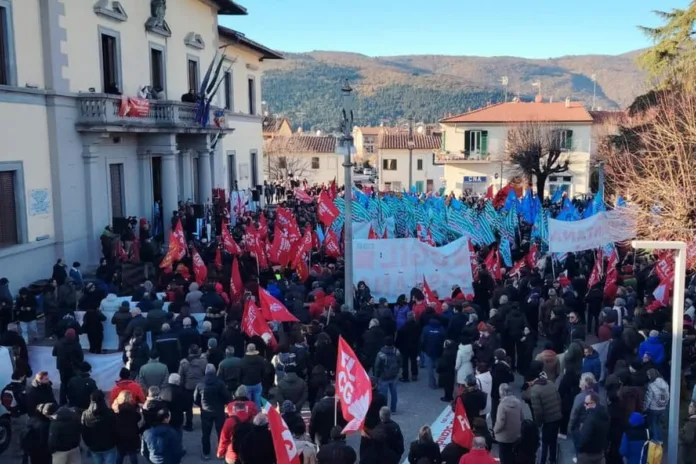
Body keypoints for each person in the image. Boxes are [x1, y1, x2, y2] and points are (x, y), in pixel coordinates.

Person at [193, 364, 231, 460]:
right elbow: (227, 397)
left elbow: (195, 399)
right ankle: (221, 453)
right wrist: (224, 404)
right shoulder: (220, 383)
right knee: (221, 433)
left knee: (206, 434)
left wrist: (201, 405)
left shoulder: (200, 383)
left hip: (206, 412)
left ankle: (206, 453)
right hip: (218, 411)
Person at [527, 370, 562, 464]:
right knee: (553, 440)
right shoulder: (551, 383)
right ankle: (553, 460)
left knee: (544, 443)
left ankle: (542, 461)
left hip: (547, 420)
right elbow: (559, 399)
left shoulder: (535, 390)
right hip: (557, 416)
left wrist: (538, 423)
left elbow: (538, 411)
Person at [217, 386, 258, 464]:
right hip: (248, 454)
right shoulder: (252, 409)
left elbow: (224, 438)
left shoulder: (229, 421)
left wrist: (220, 452)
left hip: (232, 456)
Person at [81, 390, 118, 464]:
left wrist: (89, 444)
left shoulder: (85, 414)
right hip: (109, 445)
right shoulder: (110, 413)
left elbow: (84, 432)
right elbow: (116, 429)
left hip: (94, 447)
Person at [178, 344, 207, 431]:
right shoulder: (204, 362)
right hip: (201, 387)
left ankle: (189, 424)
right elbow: (206, 373)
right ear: (198, 351)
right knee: (203, 406)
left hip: (188, 388)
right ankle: (205, 424)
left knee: (188, 408)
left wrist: (182, 386)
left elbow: (181, 376)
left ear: (189, 352)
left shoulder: (183, 362)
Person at [493, 384, 523, 464]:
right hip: (516, 434)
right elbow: (522, 417)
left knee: (504, 456)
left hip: (504, 437)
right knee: (512, 455)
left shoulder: (502, 406)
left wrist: (494, 430)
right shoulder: (518, 402)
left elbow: (500, 422)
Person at [53, 328, 84, 405]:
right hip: (73, 367)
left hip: (62, 367)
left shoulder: (59, 342)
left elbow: (54, 353)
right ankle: (72, 401)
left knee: (63, 384)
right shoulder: (76, 344)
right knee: (73, 384)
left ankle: (62, 402)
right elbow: (81, 357)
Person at [577, 392, 609, 464]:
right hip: (600, 453)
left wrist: (580, 447)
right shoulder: (605, 415)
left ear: (593, 403)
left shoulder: (591, 418)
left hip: (587, 455)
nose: (585, 406)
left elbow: (585, 437)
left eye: (586, 403)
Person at [112, 391, 141, 464]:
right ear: (127, 398)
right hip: (132, 434)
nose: (132, 398)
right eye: (130, 397)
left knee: (120, 454)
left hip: (120, 435)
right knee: (132, 454)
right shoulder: (132, 409)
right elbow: (138, 418)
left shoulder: (115, 409)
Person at [374, 335, 402, 412]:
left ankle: (385, 410)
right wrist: (398, 371)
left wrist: (376, 377)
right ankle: (393, 409)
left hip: (383, 377)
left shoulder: (380, 353)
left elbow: (377, 366)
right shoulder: (396, 351)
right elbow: (400, 362)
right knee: (394, 393)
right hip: (393, 375)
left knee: (384, 394)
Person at [643, 368, 669, 442]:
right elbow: (667, 396)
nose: (648, 376)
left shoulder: (651, 385)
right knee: (659, 424)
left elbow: (648, 398)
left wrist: (644, 407)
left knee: (653, 424)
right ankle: (660, 440)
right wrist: (665, 404)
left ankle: (655, 440)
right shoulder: (665, 383)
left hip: (653, 408)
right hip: (662, 407)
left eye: (648, 375)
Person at [239, 343, 268, 409]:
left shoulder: (242, 361)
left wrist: (240, 382)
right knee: (257, 400)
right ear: (255, 349)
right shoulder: (261, 359)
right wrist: (261, 379)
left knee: (247, 402)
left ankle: (249, 415)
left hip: (246, 384)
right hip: (257, 383)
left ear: (247, 350)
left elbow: (240, 373)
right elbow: (264, 372)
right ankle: (258, 414)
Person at [421, 316, 446, 389]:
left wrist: (422, 349)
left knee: (430, 369)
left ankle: (432, 384)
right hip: (439, 352)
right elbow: (444, 340)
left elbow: (422, 341)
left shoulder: (425, 329)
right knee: (439, 368)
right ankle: (441, 382)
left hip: (428, 351)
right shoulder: (442, 329)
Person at [160, 373, 186, 438]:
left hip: (165, 416)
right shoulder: (181, 391)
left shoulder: (163, 390)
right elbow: (185, 406)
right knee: (178, 434)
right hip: (178, 417)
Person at [396, 311, 420, 382]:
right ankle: (414, 375)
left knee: (405, 362)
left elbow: (399, 339)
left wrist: (397, 346)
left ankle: (405, 376)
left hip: (404, 347)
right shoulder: (417, 326)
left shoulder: (403, 327)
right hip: (414, 346)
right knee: (413, 360)